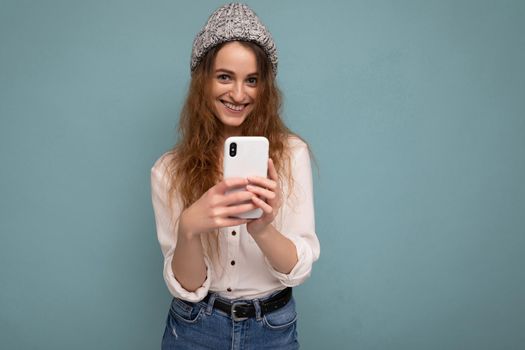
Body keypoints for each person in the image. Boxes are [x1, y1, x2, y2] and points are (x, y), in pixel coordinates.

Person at [150, 3, 320, 349]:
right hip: (195, 327)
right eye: (225, 76)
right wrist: (189, 228)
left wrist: (262, 228)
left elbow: (298, 271)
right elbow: (189, 286)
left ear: (265, 87)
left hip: (271, 329)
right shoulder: (167, 170)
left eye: (252, 80)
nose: (239, 94)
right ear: (203, 80)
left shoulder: (291, 154)